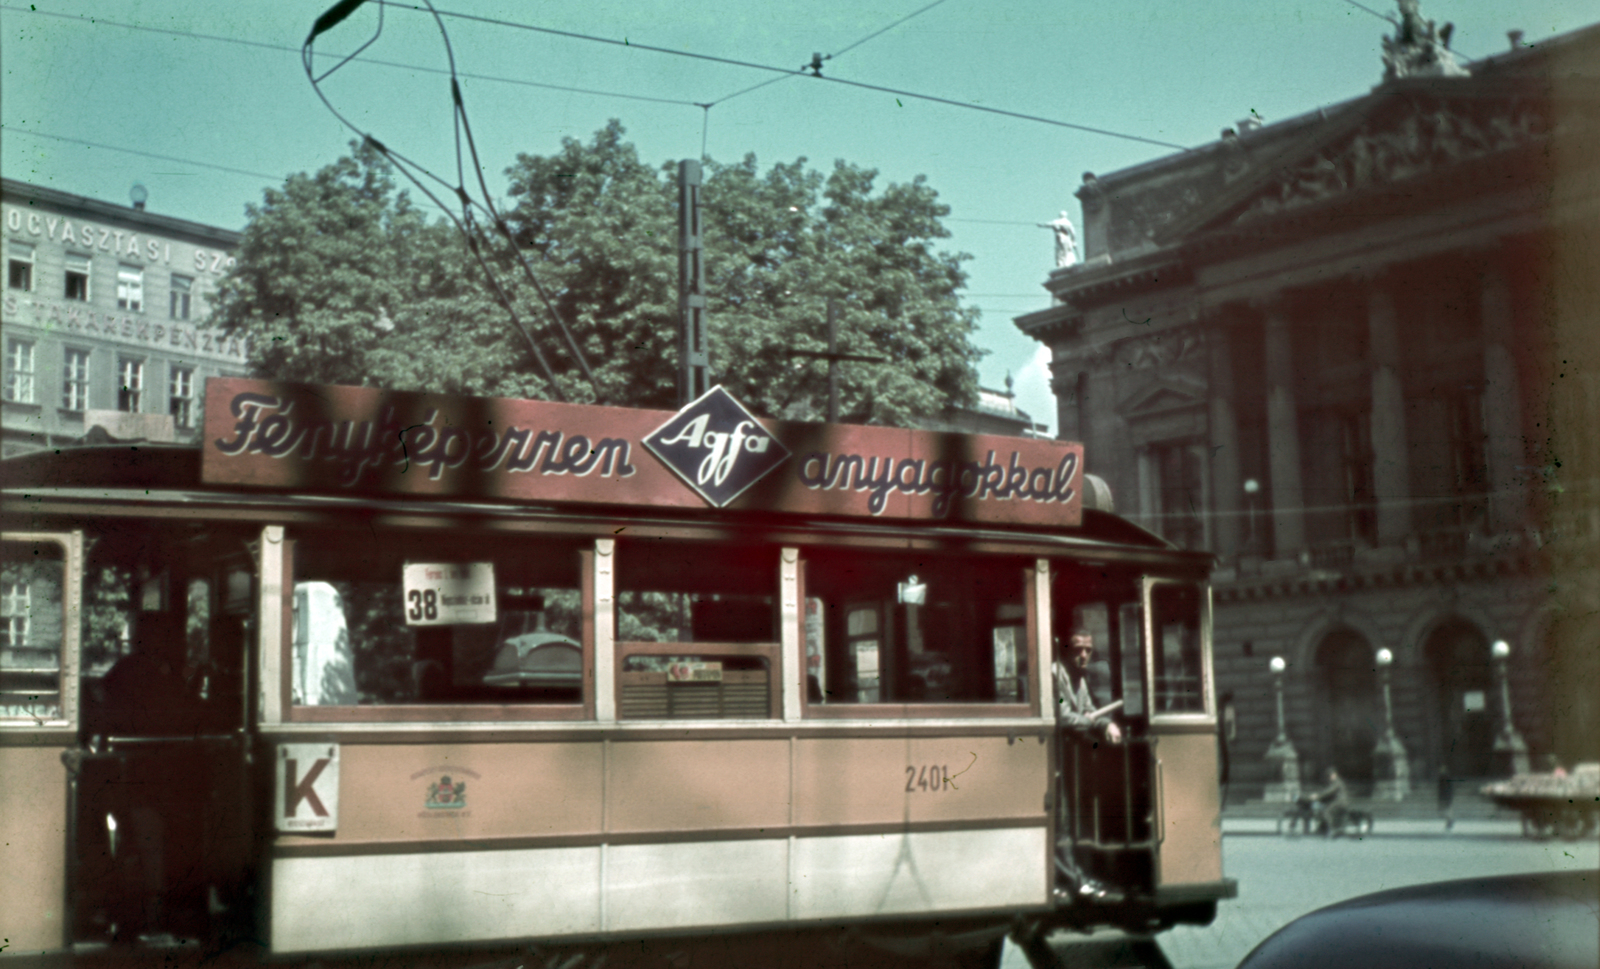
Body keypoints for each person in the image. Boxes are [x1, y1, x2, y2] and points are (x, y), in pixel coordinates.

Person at [1051, 629, 1122, 904]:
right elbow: (1063, 716)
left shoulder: (1079, 679)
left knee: (1073, 821)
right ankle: (1071, 881)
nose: (1083, 655)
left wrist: (1107, 723)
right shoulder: (1055, 675)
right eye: (1078, 649)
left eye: (1088, 650)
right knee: (1062, 822)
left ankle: (1075, 877)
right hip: (1054, 760)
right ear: (1067, 649)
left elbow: (1090, 708)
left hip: (1072, 761)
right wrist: (1092, 721)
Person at [1313, 767, 1350, 835]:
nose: (1330, 777)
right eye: (1329, 776)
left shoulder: (1337, 782)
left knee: (1326, 812)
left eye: (1330, 775)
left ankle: (1331, 830)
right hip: (1338, 802)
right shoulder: (1335, 782)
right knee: (1325, 807)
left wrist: (1318, 795)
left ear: (1335, 775)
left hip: (1340, 802)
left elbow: (1329, 791)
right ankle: (1322, 829)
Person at [1437, 765, 1455, 832]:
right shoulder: (1442, 778)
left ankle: (1450, 821)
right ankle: (1450, 821)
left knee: (1446, 810)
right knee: (1445, 810)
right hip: (1445, 796)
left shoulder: (1446, 778)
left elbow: (1448, 788)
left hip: (1446, 796)